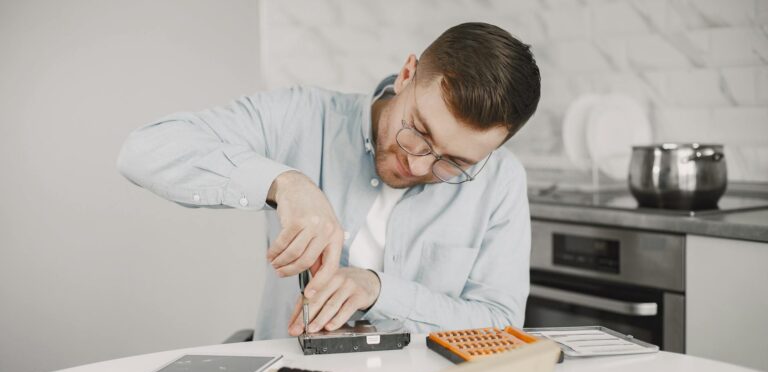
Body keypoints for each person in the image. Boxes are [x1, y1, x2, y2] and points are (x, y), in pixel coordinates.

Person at [117, 22, 540, 340]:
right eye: (418, 132)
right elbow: (145, 149)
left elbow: (499, 325)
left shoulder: (500, 181)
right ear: (407, 74)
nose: (417, 166)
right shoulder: (300, 117)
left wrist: (379, 290)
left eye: (453, 162)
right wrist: (284, 183)